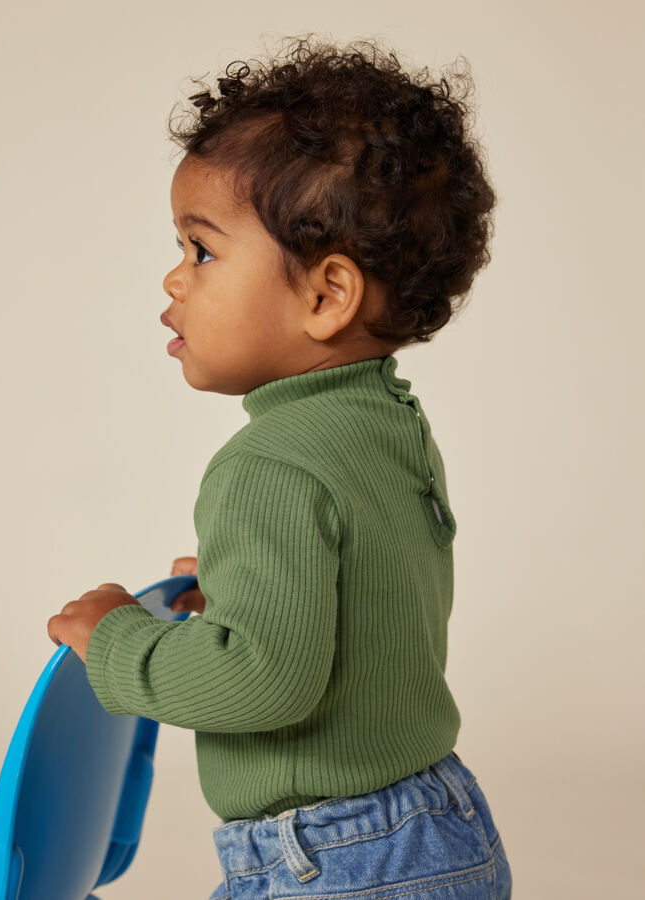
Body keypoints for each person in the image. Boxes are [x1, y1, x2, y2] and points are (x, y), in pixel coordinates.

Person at [47, 34, 512, 899]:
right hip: (439, 820)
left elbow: (260, 683)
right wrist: (245, 588)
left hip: (338, 860)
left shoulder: (268, 465)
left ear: (326, 296)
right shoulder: (387, 425)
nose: (173, 279)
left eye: (203, 250)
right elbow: (360, 600)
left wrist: (117, 641)